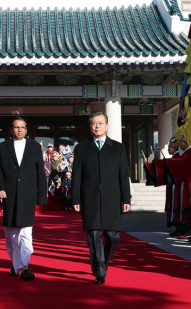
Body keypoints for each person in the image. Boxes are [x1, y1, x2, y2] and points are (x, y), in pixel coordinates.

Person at [72, 112, 131, 285]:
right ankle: (100, 271)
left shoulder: (118, 148)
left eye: (100, 123)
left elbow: (123, 175)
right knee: (94, 235)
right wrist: (76, 199)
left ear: (106, 125)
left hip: (112, 198)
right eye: (93, 123)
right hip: (90, 198)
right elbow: (77, 176)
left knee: (114, 236)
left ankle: (102, 261)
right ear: (90, 126)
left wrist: (126, 198)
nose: (97, 126)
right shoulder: (82, 148)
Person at [0, 117, 47, 281]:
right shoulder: (2, 147)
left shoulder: (35, 147)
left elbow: (40, 173)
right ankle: (16, 265)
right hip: (8, 194)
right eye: (16, 127)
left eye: (23, 127)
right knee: (11, 232)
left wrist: (41, 195)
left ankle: (24, 266)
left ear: (27, 129)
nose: (20, 130)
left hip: (28, 194)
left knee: (25, 231)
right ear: (11, 130)